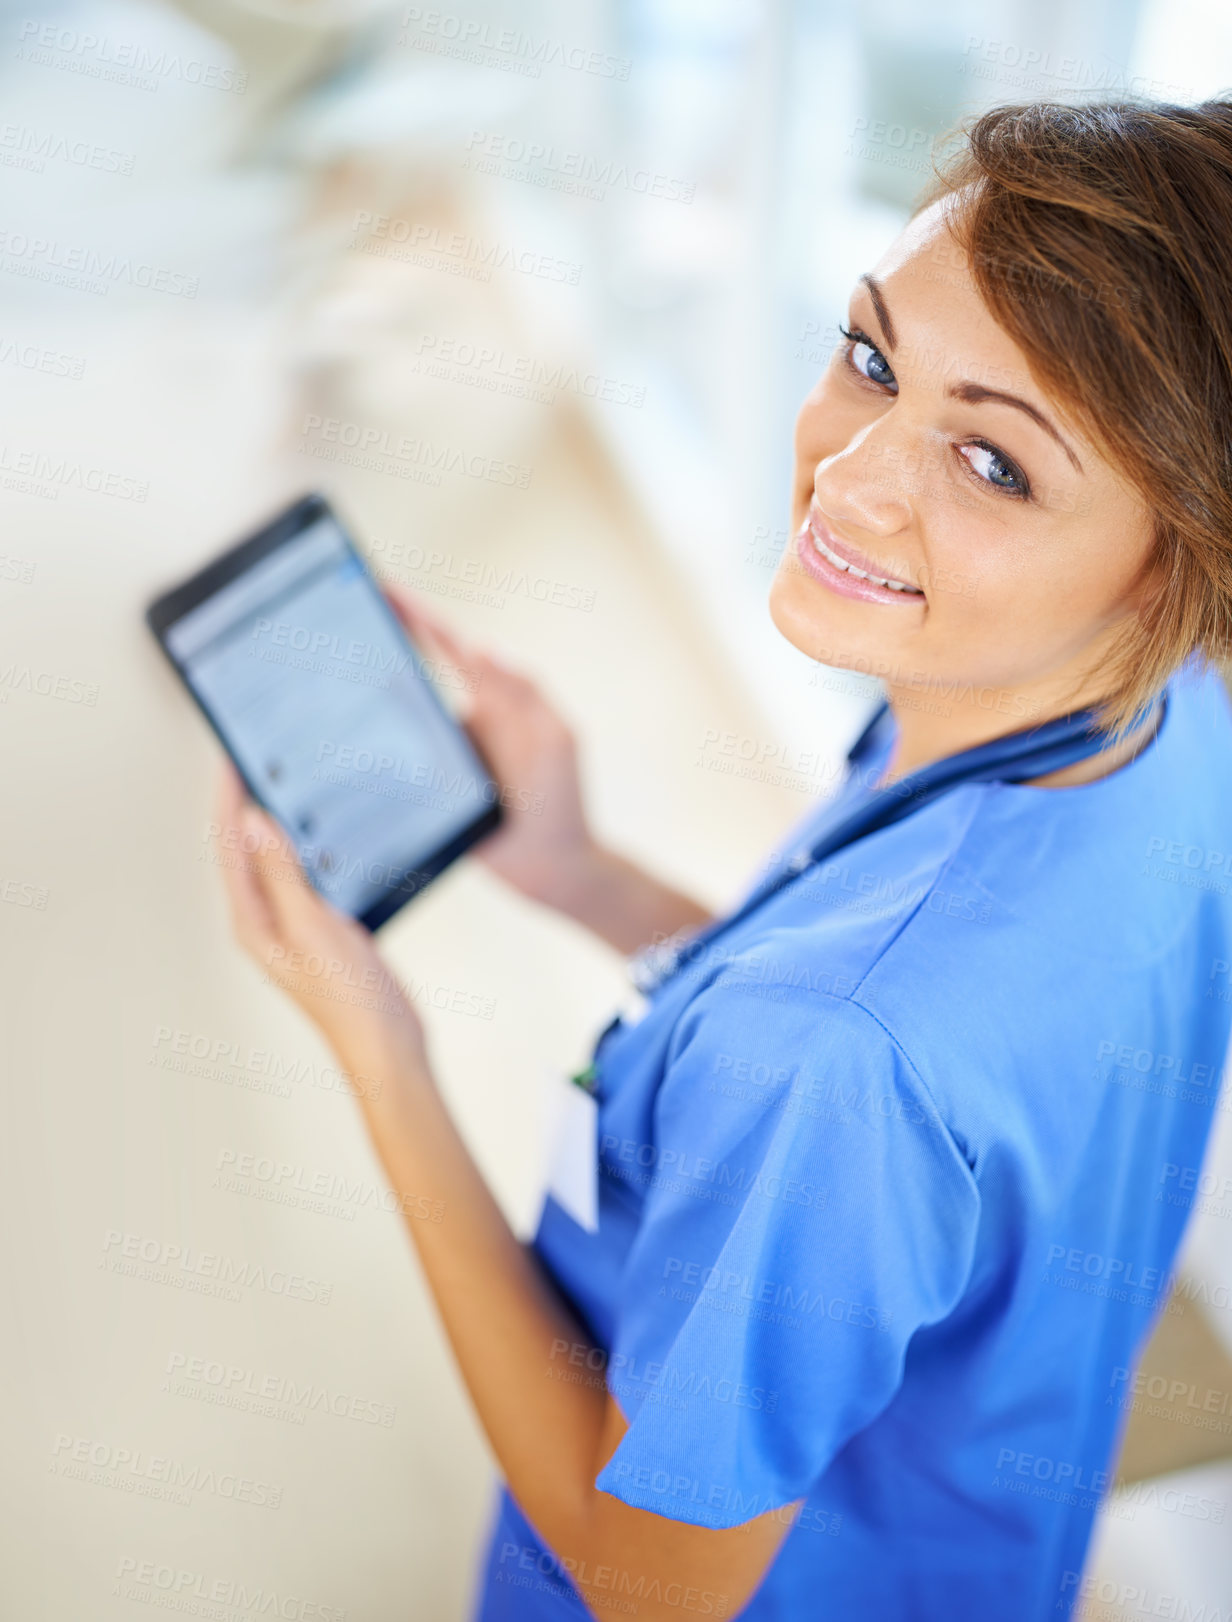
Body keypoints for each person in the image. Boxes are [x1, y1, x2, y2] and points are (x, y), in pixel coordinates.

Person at [213, 98, 1232, 1620]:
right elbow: (905, 1078)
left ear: (1185, 554)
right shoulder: (1159, 727)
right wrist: (575, 867)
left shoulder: (831, 1058)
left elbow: (650, 1580)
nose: (853, 476)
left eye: (997, 466)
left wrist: (387, 1058)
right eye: (875, 357)